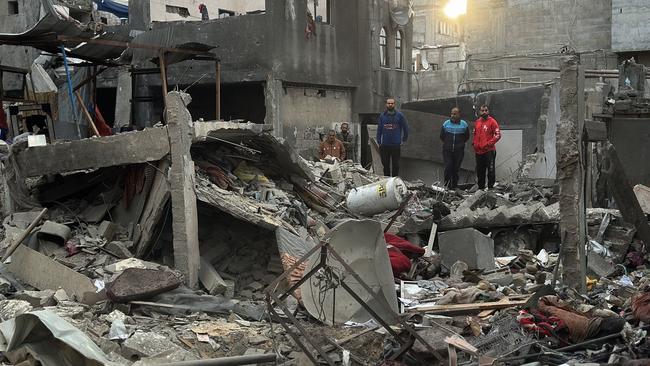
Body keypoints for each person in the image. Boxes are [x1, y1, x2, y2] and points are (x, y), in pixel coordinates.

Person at [377, 98, 409, 177]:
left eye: (392, 103)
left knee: (396, 165)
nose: (390, 105)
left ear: (394, 104)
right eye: (388, 103)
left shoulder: (400, 116)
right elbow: (379, 129)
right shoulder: (382, 116)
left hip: (395, 145)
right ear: (386, 104)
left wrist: (404, 139)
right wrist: (379, 141)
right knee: (385, 165)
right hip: (385, 145)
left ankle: (394, 181)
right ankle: (387, 180)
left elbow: (405, 128)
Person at [440, 107, 470, 189]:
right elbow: (442, 136)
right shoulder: (446, 124)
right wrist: (448, 144)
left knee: (456, 169)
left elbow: (467, 137)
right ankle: (446, 185)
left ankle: (454, 186)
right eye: (451, 113)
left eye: (454, 114)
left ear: (459, 114)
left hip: (459, 151)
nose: (452, 115)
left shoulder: (464, 125)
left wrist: (460, 145)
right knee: (448, 167)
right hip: (447, 151)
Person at [472, 104, 501, 189]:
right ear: (479, 112)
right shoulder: (477, 122)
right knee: (480, 171)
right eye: (482, 110)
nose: (484, 112)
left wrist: (488, 144)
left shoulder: (492, 121)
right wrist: (474, 144)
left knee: (491, 170)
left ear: (488, 111)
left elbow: (498, 135)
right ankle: (481, 189)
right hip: (478, 151)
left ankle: (490, 188)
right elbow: (475, 134)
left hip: (489, 151)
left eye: (486, 110)